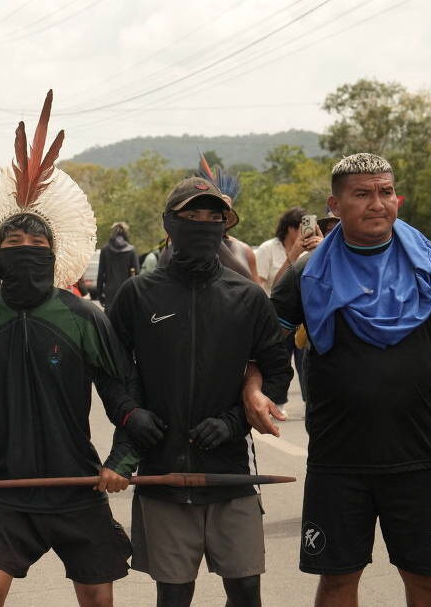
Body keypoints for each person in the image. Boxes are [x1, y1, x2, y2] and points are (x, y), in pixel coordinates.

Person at [0, 91, 158, 607]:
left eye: (38, 248)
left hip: (78, 487)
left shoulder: (83, 316)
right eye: (14, 247)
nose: (26, 253)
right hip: (5, 492)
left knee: (98, 601)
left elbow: (122, 394)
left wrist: (122, 460)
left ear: (55, 255)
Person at [244, 153, 431, 607]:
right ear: (334, 205)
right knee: (337, 582)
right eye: (362, 194)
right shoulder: (306, 273)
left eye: (385, 192)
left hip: (420, 454)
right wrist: (253, 388)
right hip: (337, 457)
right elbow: (266, 347)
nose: (378, 203)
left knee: (427, 580)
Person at [108, 177, 292, 607]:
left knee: (245, 592)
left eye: (214, 217)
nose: (204, 224)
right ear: (169, 224)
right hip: (162, 475)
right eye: (192, 215)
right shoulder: (137, 294)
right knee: (173, 595)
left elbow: (277, 372)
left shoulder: (247, 296)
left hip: (232, 474)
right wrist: (131, 414)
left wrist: (234, 422)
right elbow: (112, 372)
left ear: (224, 227)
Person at [254, 207, 316, 296]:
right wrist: (293, 255)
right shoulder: (267, 249)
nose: (307, 232)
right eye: (303, 227)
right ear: (291, 228)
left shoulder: (307, 253)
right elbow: (257, 287)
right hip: (272, 302)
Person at [97, 221, 140, 309]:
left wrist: (99, 294)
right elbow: (137, 274)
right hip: (126, 292)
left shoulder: (105, 250)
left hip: (110, 293)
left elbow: (101, 274)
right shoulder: (131, 251)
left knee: (110, 316)